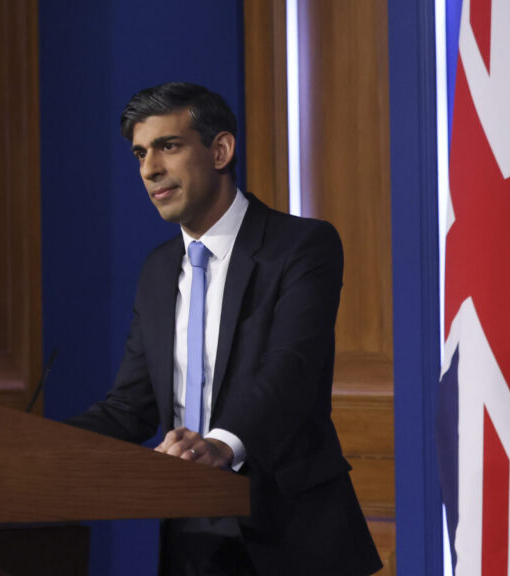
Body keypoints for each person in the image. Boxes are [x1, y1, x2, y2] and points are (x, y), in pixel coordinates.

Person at [67, 82, 382, 576]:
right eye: (140, 153)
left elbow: (291, 371)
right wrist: (33, 444)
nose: (150, 169)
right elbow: (131, 406)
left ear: (220, 150)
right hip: (191, 540)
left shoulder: (300, 246)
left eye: (168, 146)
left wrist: (220, 443)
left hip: (292, 535)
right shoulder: (157, 270)